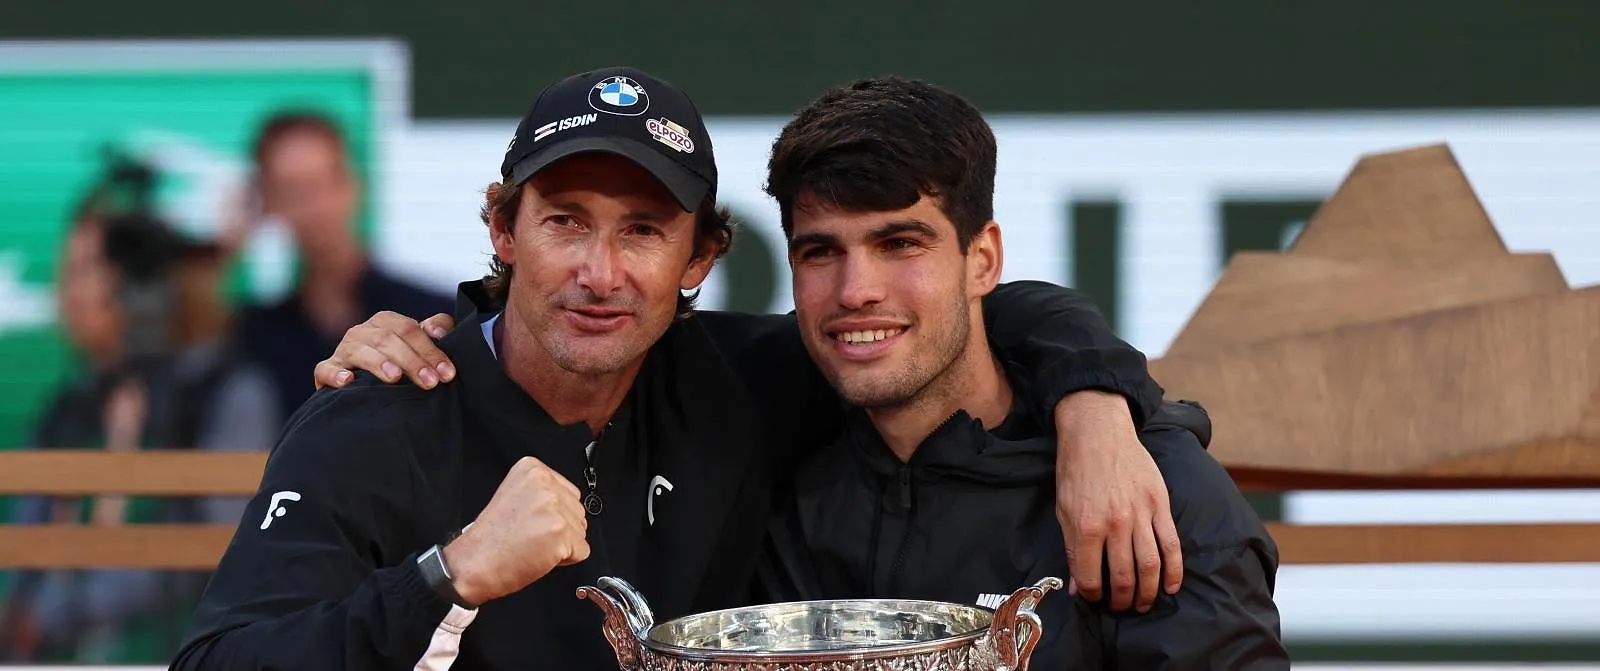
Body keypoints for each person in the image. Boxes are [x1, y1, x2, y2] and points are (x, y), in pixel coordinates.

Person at [176, 66, 1169, 670]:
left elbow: (956, 319)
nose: (599, 272)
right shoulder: (382, 412)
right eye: (566, 222)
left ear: (700, 257)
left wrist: (1093, 403)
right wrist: (450, 574)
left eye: (644, 230)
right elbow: (219, 658)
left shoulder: (740, 378)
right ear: (503, 230)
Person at [752, 77, 1286, 669]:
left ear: (982, 261)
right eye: (821, 252)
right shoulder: (759, 453)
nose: (856, 292)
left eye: (900, 243)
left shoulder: (1151, 493)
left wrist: (1094, 410)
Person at [2, 193, 279, 664]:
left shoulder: (221, 392)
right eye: (67, 271)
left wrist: (50, 614)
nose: (69, 291)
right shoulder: (68, 405)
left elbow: (219, 548)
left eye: (90, 270)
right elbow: (27, 546)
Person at [229, 111, 453, 417]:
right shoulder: (253, 335)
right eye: (292, 191)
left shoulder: (432, 316)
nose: (314, 206)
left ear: (353, 185)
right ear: (266, 202)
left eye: (323, 184)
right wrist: (226, 250)